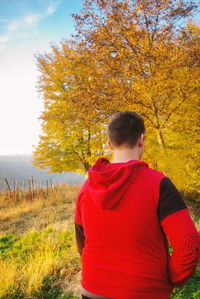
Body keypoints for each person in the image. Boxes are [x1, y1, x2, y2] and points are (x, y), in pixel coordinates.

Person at [74, 111, 200, 299]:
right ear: (141, 139)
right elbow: (190, 246)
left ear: (109, 143)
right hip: (144, 292)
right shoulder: (158, 184)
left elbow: (81, 242)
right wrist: (173, 279)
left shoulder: (86, 188)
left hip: (92, 290)